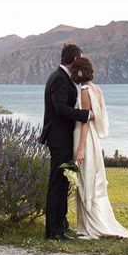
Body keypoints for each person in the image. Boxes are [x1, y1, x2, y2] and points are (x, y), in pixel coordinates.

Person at [71, 57, 128, 240]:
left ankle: (90, 226)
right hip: (94, 140)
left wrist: (80, 149)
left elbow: (86, 121)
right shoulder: (97, 89)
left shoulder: (84, 91)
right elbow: (99, 118)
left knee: (86, 179)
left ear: (78, 72)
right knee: (93, 179)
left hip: (85, 139)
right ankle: (95, 222)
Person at [39, 43, 94, 241]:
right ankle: (53, 231)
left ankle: (61, 224)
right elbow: (61, 109)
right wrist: (86, 115)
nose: (80, 62)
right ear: (73, 59)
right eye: (79, 58)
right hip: (59, 139)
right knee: (57, 185)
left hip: (63, 139)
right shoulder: (59, 79)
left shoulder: (62, 78)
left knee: (63, 183)